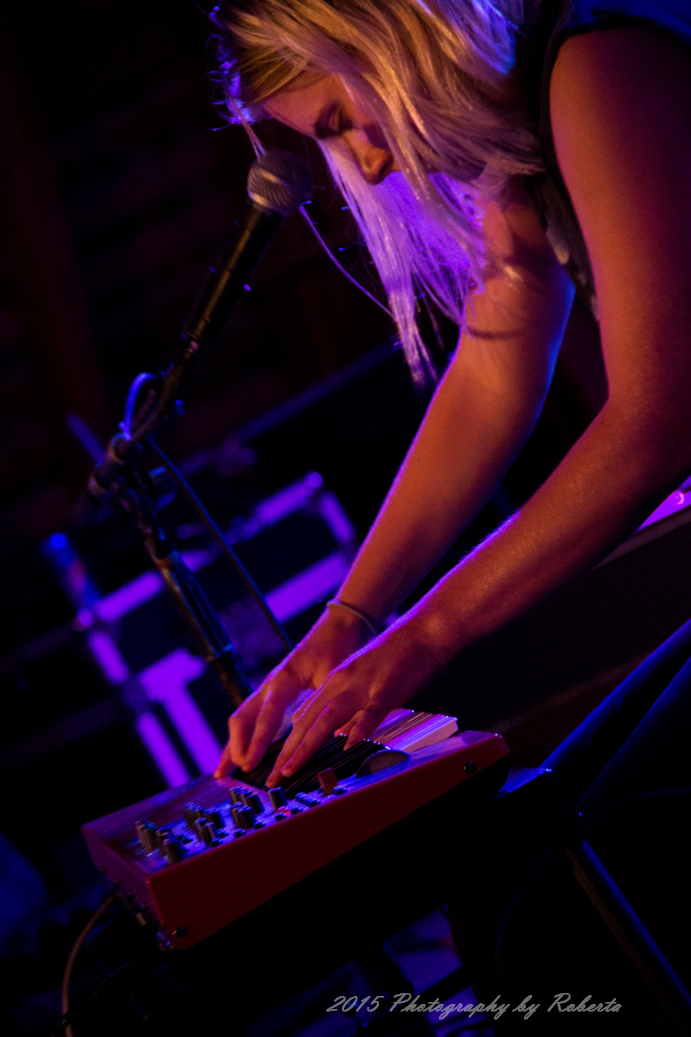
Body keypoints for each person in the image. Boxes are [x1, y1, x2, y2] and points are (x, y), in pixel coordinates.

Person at [211, 0, 691, 787]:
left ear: (392, 35)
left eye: (337, 120)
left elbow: (656, 422)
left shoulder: (594, 60)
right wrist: (348, 621)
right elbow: (492, 370)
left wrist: (420, 638)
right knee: (557, 825)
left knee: (584, 835)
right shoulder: (533, 110)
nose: (364, 165)